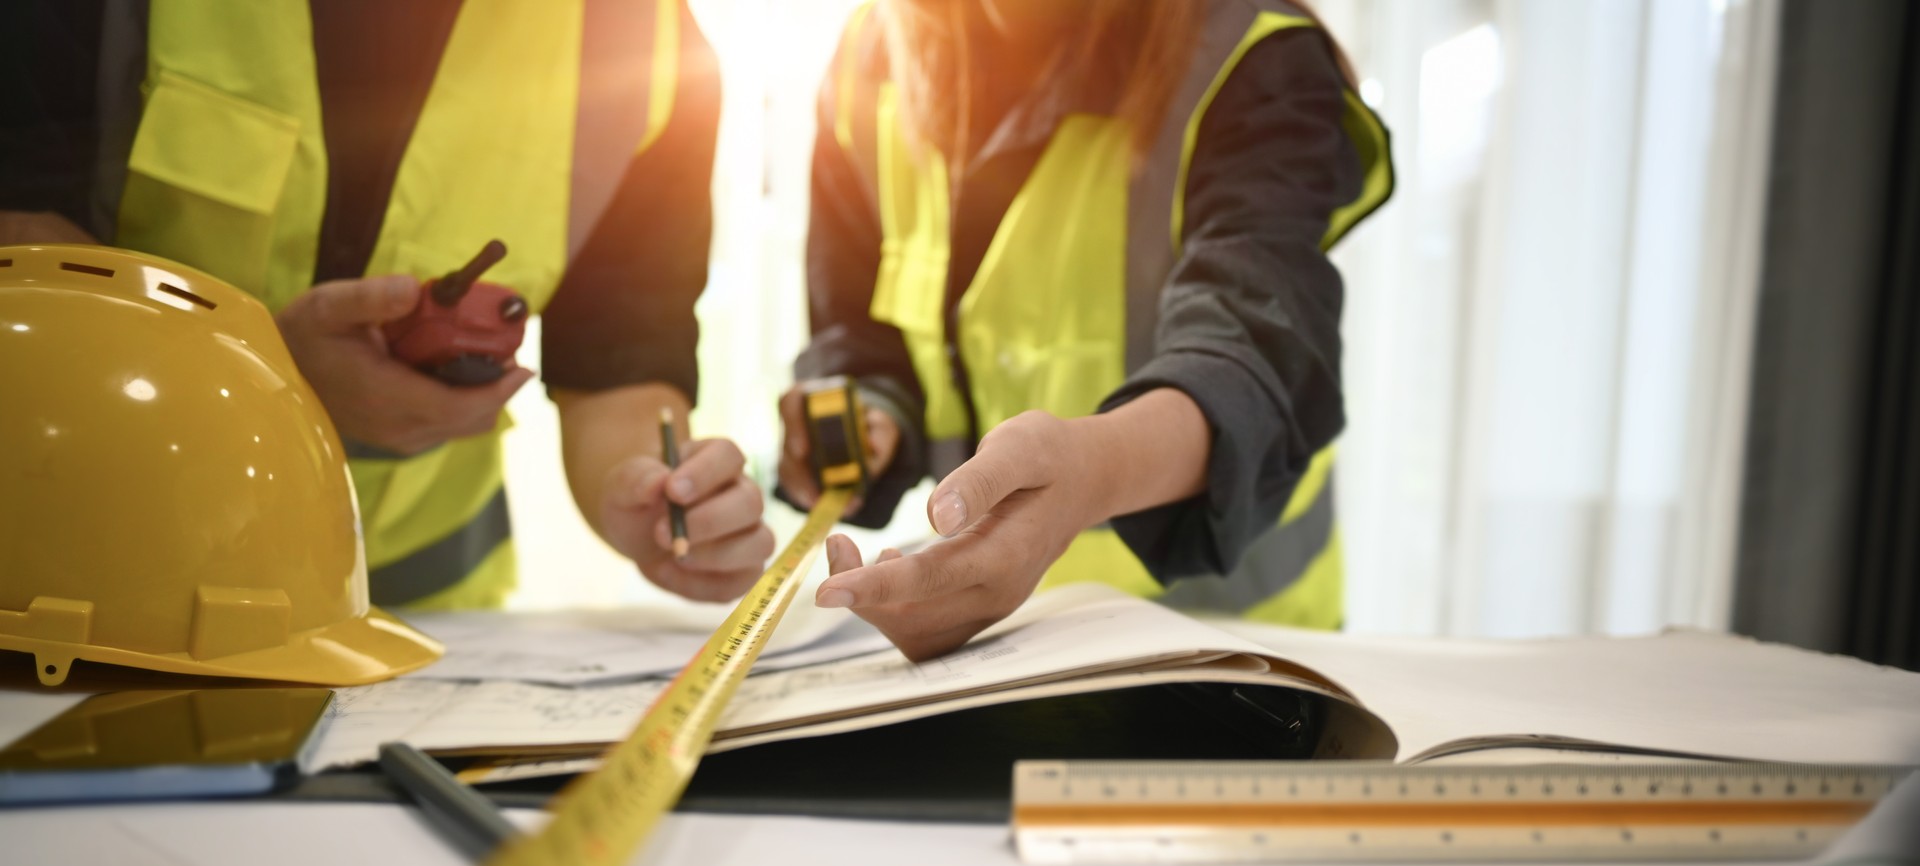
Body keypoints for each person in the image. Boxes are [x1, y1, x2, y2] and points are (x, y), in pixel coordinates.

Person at [0, 0, 772, 611]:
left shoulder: (645, 37)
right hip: (93, 598)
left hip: (427, 630)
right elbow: (22, 255)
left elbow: (620, 369)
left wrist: (651, 497)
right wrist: (268, 380)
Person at [781, 0, 1392, 660]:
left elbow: (1253, 357)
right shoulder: (871, 51)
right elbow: (859, 323)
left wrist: (1089, 474)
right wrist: (872, 414)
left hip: (1238, 653)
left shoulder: (1248, 51)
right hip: (1014, 647)